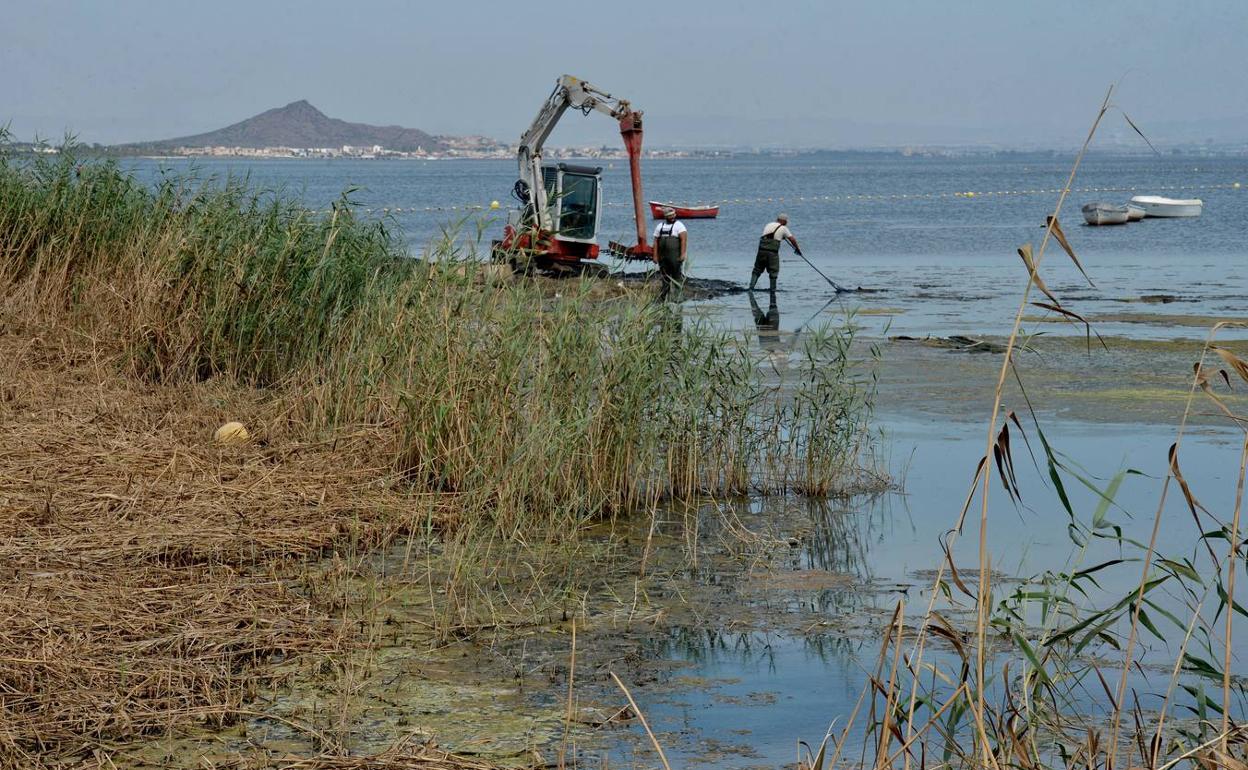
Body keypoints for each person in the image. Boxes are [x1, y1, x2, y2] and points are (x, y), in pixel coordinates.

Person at [750, 213, 801, 293]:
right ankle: (772, 290)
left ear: (777, 219)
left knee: (757, 270)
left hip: (761, 250)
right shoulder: (784, 228)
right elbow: (792, 239)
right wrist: (797, 249)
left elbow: (770, 235)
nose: (787, 223)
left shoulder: (769, 224)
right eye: (786, 222)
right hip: (772, 253)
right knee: (773, 271)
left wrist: (781, 236)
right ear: (784, 221)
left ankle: (751, 288)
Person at [652, 207, 687, 300]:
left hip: (675, 257)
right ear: (665, 216)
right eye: (669, 216)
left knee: (677, 276)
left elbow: (683, 240)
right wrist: (655, 256)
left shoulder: (679, 225)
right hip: (663, 257)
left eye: (673, 215)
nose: (672, 217)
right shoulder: (660, 226)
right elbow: (655, 241)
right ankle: (663, 297)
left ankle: (678, 297)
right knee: (664, 277)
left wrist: (683, 254)